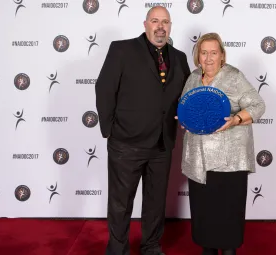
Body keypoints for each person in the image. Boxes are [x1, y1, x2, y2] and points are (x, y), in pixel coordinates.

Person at [95, 6, 190, 255]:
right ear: (145, 23)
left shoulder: (179, 57)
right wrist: (110, 131)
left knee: (155, 203)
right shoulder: (122, 49)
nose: (161, 26)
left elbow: (187, 96)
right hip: (126, 143)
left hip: (162, 144)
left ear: (170, 26)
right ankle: (117, 250)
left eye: (165, 22)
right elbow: (104, 89)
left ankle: (151, 247)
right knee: (120, 203)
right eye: (155, 21)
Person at [178, 33, 266, 255]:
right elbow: (185, 106)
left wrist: (236, 119)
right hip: (199, 161)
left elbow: (258, 105)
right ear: (198, 55)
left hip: (230, 163)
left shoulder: (234, 77)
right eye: (204, 52)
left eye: (213, 53)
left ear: (222, 56)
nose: (208, 58)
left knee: (227, 217)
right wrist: (185, 121)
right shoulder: (193, 77)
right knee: (204, 217)